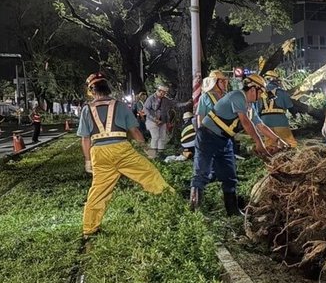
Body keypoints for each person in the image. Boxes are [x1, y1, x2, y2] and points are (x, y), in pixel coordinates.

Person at [77, 73, 171, 243]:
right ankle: (172, 203)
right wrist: (145, 148)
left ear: (92, 90)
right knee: (149, 174)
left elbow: (85, 138)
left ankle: (89, 228)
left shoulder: (86, 109)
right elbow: (135, 131)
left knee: (98, 191)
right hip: (122, 150)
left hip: (99, 153)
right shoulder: (120, 106)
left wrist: (87, 160)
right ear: (107, 88)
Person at [190, 74, 270, 215]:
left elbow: (260, 125)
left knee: (230, 176)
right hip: (208, 136)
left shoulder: (250, 106)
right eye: (261, 91)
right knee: (202, 172)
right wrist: (259, 142)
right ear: (253, 89)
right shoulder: (237, 96)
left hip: (225, 140)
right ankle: (194, 210)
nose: (262, 95)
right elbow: (245, 122)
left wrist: (277, 139)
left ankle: (232, 211)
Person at [256, 70, 297, 149]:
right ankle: (293, 158)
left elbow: (257, 111)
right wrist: (294, 114)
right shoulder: (281, 92)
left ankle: (272, 159)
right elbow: (290, 107)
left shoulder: (260, 93)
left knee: (270, 145)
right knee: (289, 142)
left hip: (265, 123)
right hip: (280, 121)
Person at [144, 84, 186, 159]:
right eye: (162, 92)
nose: (163, 94)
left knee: (162, 137)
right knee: (155, 137)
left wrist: (185, 104)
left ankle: (160, 153)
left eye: (164, 93)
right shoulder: (150, 98)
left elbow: (175, 104)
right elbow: (146, 109)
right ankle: (152, 154)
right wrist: (154, 119)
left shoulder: (165, 100)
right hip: (152, 121)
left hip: (162, 121)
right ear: (158, 91)